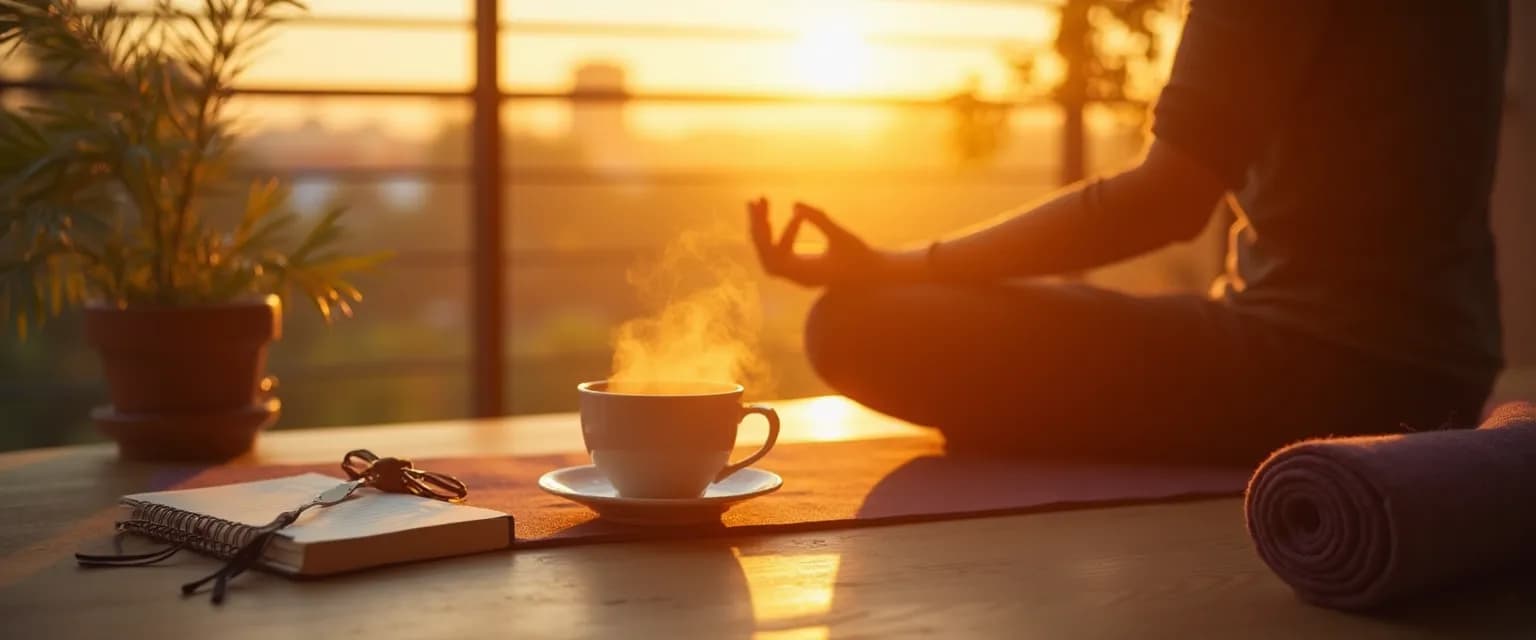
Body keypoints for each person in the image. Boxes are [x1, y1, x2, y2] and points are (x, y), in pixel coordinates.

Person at [748, 1, 1510, 465]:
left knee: (858, 326)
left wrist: (899, 266)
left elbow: (1164, 202)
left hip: (1336, 374)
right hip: (1448, 367)